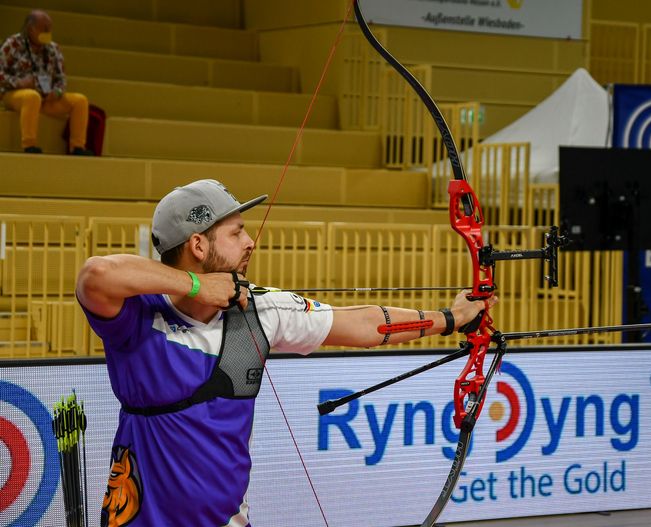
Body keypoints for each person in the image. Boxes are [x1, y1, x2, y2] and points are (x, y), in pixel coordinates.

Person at [76, 179, 494, 526]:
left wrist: (451, 318)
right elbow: (95, 274)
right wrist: (199, 287)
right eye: (236, 232)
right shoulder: (139, 316)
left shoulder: (259, 309)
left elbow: (365, 324)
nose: (250, 242)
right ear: (199, 246)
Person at [0, 10, 91, 154]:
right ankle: (29, 144)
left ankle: (77, 147)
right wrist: (18, 82)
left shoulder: (53, 48)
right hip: (16, 94)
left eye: (50, 28)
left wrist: (58, 91)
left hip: (46, 98)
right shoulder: (12, 44)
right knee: (31, 97)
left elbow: (61, 78)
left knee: (80, 101)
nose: (48, 32)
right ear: (30, 28)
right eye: (44, 28)